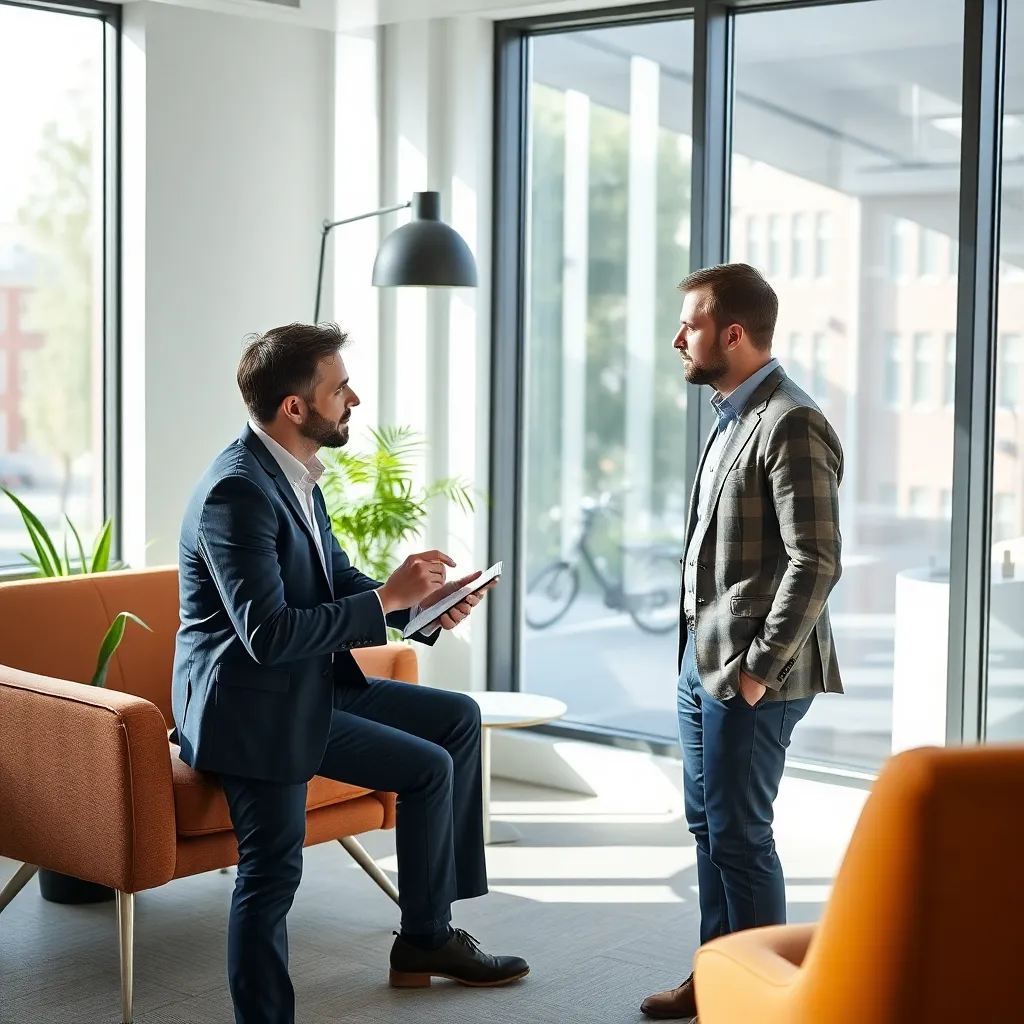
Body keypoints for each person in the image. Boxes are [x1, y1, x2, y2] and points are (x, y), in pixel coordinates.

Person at [170, 322, 528, 1024]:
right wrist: (384, 600)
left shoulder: (295, 474)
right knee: (271, 875)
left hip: (304, 683)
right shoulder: (235, 494)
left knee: (455, 722)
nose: (354, 398)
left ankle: (425, 938)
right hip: (249, 708)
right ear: (295, 408)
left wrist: (420, 610)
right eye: (339, 389)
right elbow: (268, 635)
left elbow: (334, 578)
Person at [640, 264, 844, 1021]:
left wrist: (756, 671)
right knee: (709, 827)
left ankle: (764, 1002)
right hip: (702, 662)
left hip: (755, 674)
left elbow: (816, 560)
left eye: (688, 325)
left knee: (741, 835)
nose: (676, 339)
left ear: (732, 333)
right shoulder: (733, 413)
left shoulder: (790, 420)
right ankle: (717, 977)